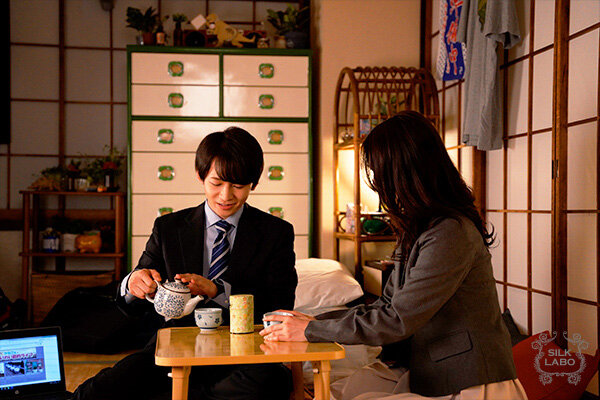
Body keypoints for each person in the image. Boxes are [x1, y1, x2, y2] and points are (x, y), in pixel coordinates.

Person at [260, 111, 528, 400]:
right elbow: (387, 305)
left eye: (379, 170)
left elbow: (397, 318)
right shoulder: (419, 228)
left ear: (404, 171)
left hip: (470, 380)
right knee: (341, 390)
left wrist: (313, 330)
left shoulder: (451, 233)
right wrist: (314, 321)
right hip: (430, 370)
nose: (377, 180)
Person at [72, 127, 297, 400]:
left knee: (271, 383)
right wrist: (133, 284)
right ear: (200, 176)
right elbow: (137, 300)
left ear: (254, 183)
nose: (226, 196)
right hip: (173, 351)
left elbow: (279, 306)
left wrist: (217, 290)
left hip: (246, 356)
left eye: (238, 186)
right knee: (100, 389)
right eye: (216, 183)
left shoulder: (275, 232)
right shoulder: (169, 228)